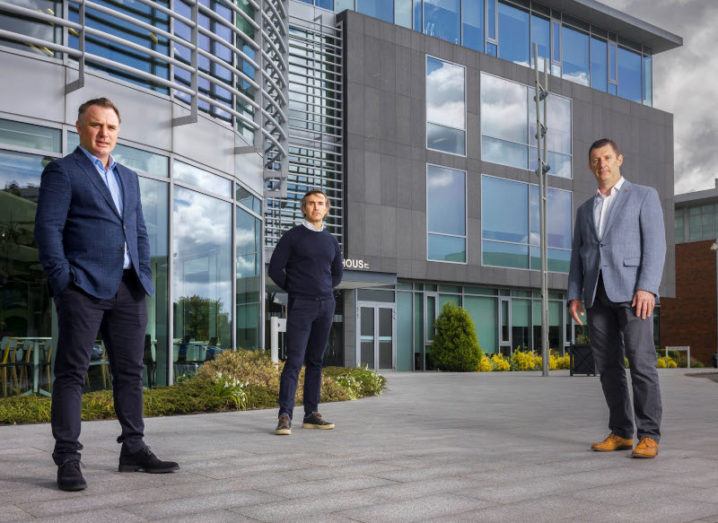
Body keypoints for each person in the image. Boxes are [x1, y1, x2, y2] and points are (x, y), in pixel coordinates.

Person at [35, 98, 179, 491]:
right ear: (79, 127)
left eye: (111, 127)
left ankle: (133, 448)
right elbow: (48, 231)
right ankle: (67, 458)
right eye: (96, 125)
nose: (104, 134)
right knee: (72, 374)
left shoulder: (129, 176)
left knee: (130, 373)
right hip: (82, 286)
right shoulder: (63, 171)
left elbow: (139, 230)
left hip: (129, 288)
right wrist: (63, 280)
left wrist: (145, 272)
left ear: (118, 131)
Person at [568, 138, 666, 459]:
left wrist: (647, 287)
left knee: (640, 362)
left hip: (633, 293)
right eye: (595, 160)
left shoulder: (643, 196)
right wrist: (574, 295)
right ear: (590, 165)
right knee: (608, 367)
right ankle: (622, 432)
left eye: (607, 158)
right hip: (596, 295)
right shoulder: (584, 210)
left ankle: (649, 434)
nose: (602, 164)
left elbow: (655, 245)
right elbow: (578, 255)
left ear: (619, 159)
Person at [268, 189, 343, 435]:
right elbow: (275, 269)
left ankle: (311, 413)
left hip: (326, 305)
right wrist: (297, 289)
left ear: (327, 208)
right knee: (295, 361)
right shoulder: (293, 237)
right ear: (304, 208)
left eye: (320, 203)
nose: (316, 207)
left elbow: (337, 274)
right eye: (311, 203)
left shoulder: (331, 241)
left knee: (316, 361)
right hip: (301, 305)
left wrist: (323, 291)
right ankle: (285, 415)